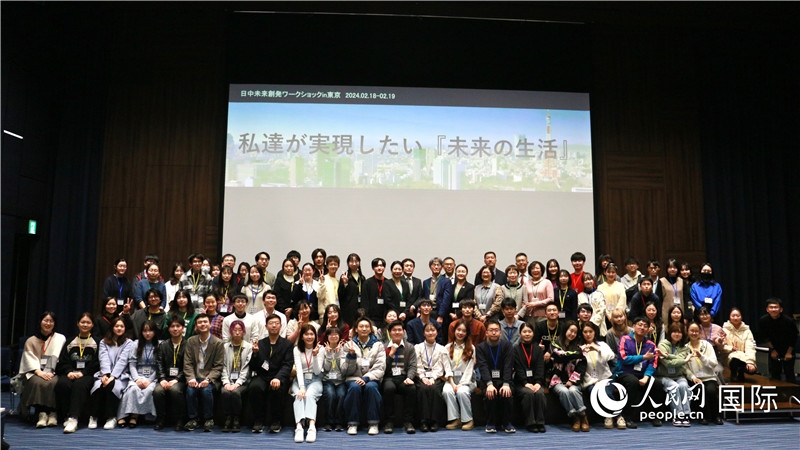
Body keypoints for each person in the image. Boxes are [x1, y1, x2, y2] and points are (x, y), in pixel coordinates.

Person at [247, 313, 294, 433]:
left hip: (279, 376)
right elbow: (253, 366)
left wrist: (278, 378)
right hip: (263, 376)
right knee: (254, 387)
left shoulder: (287, 344)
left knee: (277, 388)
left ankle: (276, 421)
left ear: (281, 326)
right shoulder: (260, 343)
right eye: (271, 323)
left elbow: (287, 365)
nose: (274, 326)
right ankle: (258, 421)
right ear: (266, 326)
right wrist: (255, 354)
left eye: (276, 323)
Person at [19, 311, 67, 428]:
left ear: (55, 323)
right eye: (45, 320)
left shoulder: (60, 338)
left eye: (51, 321)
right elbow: (28, 359)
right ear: (40, 322)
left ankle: (52, 413)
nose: (48, 323)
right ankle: (42, 413)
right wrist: (39, 372)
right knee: (37, 382)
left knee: (53, 382)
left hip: (54, 371)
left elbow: (62, 358)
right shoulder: (31, 340)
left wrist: (50, 371)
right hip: (35, 371)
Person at [614, 316, 664, 428]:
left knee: (657, 384)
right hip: (624, 372)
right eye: (640, 325)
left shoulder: (651, 344)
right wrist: (643, 357)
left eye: (645, 326)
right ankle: (628, 417)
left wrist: (646, 376)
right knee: (632, 382)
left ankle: (654, 415)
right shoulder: (625, 339)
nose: (642, 328)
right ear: (633, 326)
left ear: (648, 329)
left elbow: (653, 363)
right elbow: (624, 358)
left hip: (642, 374)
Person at [55, 313, 99, 433]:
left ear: (92, 325)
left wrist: (83, 373)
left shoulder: (97, 342)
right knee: (62, 384)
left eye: (88, 322)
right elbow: (62, 361)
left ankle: (73, 419)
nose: (85, 325)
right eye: (83, 322)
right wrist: (69, 371)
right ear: (77, 324)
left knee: (79, 385)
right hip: (70, 373)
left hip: (88, 374)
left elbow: (97, 363)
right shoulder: (70, 341)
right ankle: (65, 415)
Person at [342, 317, 386, 436]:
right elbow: (345, 371)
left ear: (371, 329)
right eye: (361, 326)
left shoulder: (378, 345)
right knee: (355, 388)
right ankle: (352, 423)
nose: (364, 329)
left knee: (371, 387)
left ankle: (373, 423)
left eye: (367, 326)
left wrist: (366, 378)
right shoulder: (348, 345)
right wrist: (351, 357)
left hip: (371, 378)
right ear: (356, 329)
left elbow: (380, 367)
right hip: (353, 377)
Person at [89, 317, 133, 430]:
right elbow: (103, 358)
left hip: (121, 375)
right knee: (98, 386)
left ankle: (111, 417)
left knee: (112, 386)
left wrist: (112, 376)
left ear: (125, 328)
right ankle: (93, 416)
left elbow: (123, 361)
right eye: (116, 326)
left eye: (121, 326)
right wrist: (105, 374)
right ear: (112, 328)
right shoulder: (103, 342)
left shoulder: (129, 343)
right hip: (104, 373)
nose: (119, 328)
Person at [183, 313, 224, 432]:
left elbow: (218, 366)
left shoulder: (218, 343)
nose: (203, 324)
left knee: (206, 390)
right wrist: (191, 378)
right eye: (200, 322)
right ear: (196, 326)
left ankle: (208, 419)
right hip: (194, 377)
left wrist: (208, 379)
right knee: (190, 391)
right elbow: (187, 363)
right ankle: (193, 419)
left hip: (210, 378)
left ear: (210, 324)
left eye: (205, 322)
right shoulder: (191, 341)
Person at [117, 320, 159, 429]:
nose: (147, 333)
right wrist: (137, 379)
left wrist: (149, 380)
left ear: (155, 332)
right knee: (133, 389)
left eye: (150, 331)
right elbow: (132, 364)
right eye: (145, 331)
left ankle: (135, 416)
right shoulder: (135, 344)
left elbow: (159, 366)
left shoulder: (159, 345)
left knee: (149, 390)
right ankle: (127, 416)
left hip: (152, 377)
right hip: (137, 375)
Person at [476, 319, 515, 433]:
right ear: (486, 333)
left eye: (496, 330)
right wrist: (489, 384)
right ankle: (490, 423)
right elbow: (483, 366)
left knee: (506, 393)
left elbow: (508, 366)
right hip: (487, 380)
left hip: (504, 379)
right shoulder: (480, 347)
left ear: (500, 332)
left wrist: (506, 384)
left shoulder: (507, 346)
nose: (494, 332)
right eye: (491, 330)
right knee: (490, 393)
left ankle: (506, 423)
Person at [549, 320, 588, 432]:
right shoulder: (555, 343)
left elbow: (582, 365)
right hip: (557, 379)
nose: (572, 334)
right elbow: (560, 357)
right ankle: (575, 418)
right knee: (564, 391)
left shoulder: (578, 345)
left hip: (573, 379)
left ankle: (583, 416)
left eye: (575, 332)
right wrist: (577, 353)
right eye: (571, 331)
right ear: (565, 330)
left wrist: (572, 381)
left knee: (573, 390)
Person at [381, 320, 417, 435]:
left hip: (404, 377)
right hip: (389, 377)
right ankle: (389, 421)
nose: (397, 332)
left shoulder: (409, 347)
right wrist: (391, 354)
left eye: (399, 330)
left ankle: (408, 421)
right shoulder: (383, 347)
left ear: (404, 332)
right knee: (389, 388)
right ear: (389, 332)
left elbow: (412, 365)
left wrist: (410, 377)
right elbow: (382, 368)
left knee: (411, 388)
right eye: (394, 330)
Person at [579, 321, 617, 429]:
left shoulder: (602, 345)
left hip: (606, 377)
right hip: (590, 381)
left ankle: (616, 415)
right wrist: (594, 381)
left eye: (590, 331)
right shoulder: (580, 348)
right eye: (585, 332)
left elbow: (611, 356)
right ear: (582, 333)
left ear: (594, 332)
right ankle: (611, 415)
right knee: (597, 391)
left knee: (607, 391)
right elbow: (581, 370)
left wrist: (597, 349)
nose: (588, 334)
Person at [685, 322, 723, 425]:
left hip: (709, 377)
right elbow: (685, 368)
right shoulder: (685, 348)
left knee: (711, 390)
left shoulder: (707, 345)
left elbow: (714, 363)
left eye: (696, 331)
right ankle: (702, 416)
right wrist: (693, 377)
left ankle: (716, 416)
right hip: (695, 378)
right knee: (699, 390)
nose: (694, 333)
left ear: (700, 332)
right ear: (687, 332)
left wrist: (701, 357)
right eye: (692, 331)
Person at [153, 317, 187, 430]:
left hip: (181, 379)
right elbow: (159, 363)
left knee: (175, 390)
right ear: (168, 329)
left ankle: (180, 419)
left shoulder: (188, 344)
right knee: (158, 391)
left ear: (183, 328)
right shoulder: (163, 345)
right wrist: (162, 379)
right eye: (172, 326)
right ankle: (161, 419)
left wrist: (176, 379)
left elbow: (188, 366)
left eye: (178, 326)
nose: (175, 329)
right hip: (165, 378)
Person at [414, 323, 449, 432]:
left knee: (434, 389)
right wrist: (422, 377)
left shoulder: (441, 348)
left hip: (436, 376)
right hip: (421, 375)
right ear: (423, 333)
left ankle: (434, 421)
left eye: (433, 330)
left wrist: (433, 377)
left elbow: (440, 366)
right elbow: (417, 364)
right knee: (423, 389)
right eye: (427, 330)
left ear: (437, 333)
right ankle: (423, 421)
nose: (430, 333)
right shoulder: (418, 347)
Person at [291, 325, 323, 443]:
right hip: (300, 379)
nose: (309, 337)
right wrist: (302, 387)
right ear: (302, 337)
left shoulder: (321, 349)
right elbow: (298, 369)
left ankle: (311, 427)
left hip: (315, 379)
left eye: (312, 334)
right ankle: (299, 427)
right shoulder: (297, 349)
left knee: (309, 395)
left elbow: (317, 371)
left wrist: (315, 356)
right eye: (306, 334)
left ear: (315, 336)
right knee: (299, 396)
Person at [655, 323, 692, 427]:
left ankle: (686, 414)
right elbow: (667, 363)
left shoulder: (684, 347)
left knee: (683, 386)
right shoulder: (662, 345)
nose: (677, 334)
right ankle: (678, 415)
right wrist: (684, 360)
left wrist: (667, 355)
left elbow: (676, 360)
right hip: (663, 376)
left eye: (679, 332)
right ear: (670, 333)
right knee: (674, 386)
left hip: (679, 375)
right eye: (674, 331)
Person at [219, 320, 252, 433]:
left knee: (236, 393)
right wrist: (226, 382)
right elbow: (223, 366)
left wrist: (238, 383)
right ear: (230, 331)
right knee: (225, 392)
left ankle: (236, 419)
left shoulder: (248, 347)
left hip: (243, 381)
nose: (237, 332)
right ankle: (228, 418)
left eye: (240, 330)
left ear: (243, 332)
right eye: (234, 330)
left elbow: (246, 367)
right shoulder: (225, 346)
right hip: (228, 380)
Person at [513, 322, 547, 433]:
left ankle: (540, 422)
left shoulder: (538, 349)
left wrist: (538, 383)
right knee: (528, 393)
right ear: (520, 334)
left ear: (533, 333)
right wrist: (525, 383)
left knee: (540, 393)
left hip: (536, 382)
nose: (527, 334)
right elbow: (518, 368)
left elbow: (540, 367)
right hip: (521, 383)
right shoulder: (515, 349)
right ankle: (531, 422)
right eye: (524, 332)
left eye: (529, 331)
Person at [443, 319, 476, 431]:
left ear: (467, 333)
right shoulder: (447, 348)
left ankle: (468, 420)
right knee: (447, 391)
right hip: (451, 379)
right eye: (458, 330)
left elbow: (470, 369)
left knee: (462, 392)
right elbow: (447, 368)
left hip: (467, 380)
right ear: (454, 331)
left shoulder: (471, 348)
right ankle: (455, 419)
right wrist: (453, 384)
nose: (460, 333)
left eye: (464, 331)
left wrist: (461, 384)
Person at [757, 298, 797, 382]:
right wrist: (772, 350)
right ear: (767, 309)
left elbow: (793, 337)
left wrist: (789, 352)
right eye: (771, 307)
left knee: (789, 374)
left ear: (781, 309)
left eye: (776, 307)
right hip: (773, 349)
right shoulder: (763, 320)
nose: (773, 309)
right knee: (774, 374)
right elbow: (764, 337)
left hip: (788, 348)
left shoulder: (789, 321)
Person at [320, 327, 347, 432]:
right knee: (330, 395)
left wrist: (338, 354)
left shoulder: (344, 349)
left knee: (341, 395)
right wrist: (329, 354)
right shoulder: (323, 350)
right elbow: (326, 369)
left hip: (341, 381)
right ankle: (329, 422)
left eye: (336, 334)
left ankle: (339, 422)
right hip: (328, 381)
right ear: (327, 337)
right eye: (331, 334)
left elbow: (343, 369)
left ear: (339, 336)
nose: (333, 336)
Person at [361, 258, 396, 328]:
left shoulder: (389, 283)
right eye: (376, 266)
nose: (379, 268)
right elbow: (364, 301)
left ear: (384, 268)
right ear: (373, 268)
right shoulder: (367, 283)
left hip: (385, 318)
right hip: (371, 318)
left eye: (381, 265)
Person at [419, 257, 453, 325]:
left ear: (441, 267)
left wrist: (441, 315)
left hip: (439, 312)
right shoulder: (426, 282)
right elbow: (423, 298)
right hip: (427, 311)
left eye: (438, 265)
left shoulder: (446, 281)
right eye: (434, 265)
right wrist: (419, 312)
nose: (436, 267)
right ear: (430, 267)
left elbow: (446, 300)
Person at [658, 258, 691, 324]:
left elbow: (686, 299)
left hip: (680, 312)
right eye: (670, 267)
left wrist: (686, 316)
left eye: (674, 267)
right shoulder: (661, 281)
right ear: (667, 269)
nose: (672, 269)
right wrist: (659, 316)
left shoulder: (682, 281)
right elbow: (659, 300)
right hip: (666, 313)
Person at [338, 253, 364, 327]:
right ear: (348, 263)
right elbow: (340, 294)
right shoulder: (344, 276)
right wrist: (345, 283)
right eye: (352, 261)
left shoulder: (362, 277)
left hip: (360, 307)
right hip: (348, 308)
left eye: (356, 261)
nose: (354, 264)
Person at [577, 273, 607, 337]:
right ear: (583, 283)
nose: (588, 282)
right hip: (584, 328)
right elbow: (579, 311)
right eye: (585, 280)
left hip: (599, 326)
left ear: (593, 281)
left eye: (590, 279)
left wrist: (592, 322)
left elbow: (602, 310)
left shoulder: (599, 294)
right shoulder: (579, 296)